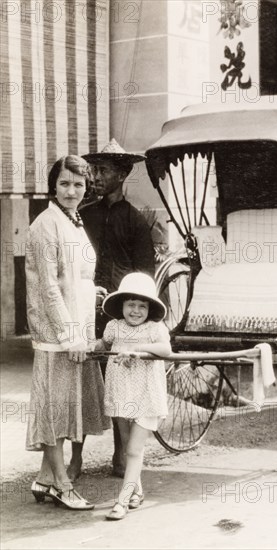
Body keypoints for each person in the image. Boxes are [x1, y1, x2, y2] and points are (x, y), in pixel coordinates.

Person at [67, 139, 156, 481]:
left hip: (120, 313)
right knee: (84, 383)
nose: (96, 177)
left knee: (121, 382)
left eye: (103, 171)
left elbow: (145, 272)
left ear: (122, 174)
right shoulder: (84, 216)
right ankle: (76, 459)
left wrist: (131, 309)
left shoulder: (135, 221)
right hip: (87, 309)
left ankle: (122, 452)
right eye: (94, 170)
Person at [25, 155, 110, 510]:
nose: (71, 190)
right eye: (64, 183)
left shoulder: (72, 221)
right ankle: (61, 484)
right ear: (53, 186)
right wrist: (71, 336)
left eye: (78, 184)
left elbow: (73, 277)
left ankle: (45, 479)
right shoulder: (46, 224)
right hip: (58, 335)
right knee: (55, 410)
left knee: (68, 407)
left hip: (78, 327)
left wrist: (93, 291)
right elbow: (48, 288)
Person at [93, 272, 171, 521]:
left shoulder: (155, 329)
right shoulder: (114, 327)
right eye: (130, 305)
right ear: (122, 305)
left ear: (150, 308)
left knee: (135, 450)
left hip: (146, 395)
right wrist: (86, 347)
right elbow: (103, 345)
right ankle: (137, 491)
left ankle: (123, 500)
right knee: (128, 448)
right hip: (120, 392)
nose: (135, 311)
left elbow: (166, 350)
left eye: (142, 306)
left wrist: (137, 348)